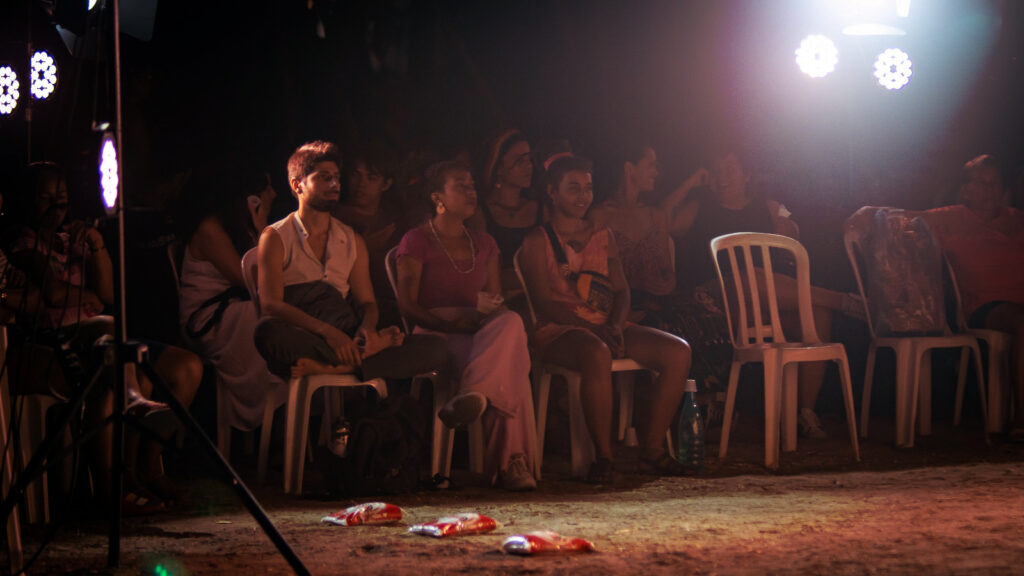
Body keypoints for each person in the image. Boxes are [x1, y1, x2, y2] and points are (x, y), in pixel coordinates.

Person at [10, 162, 202, 511]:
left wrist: (97, 247)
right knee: (114, 337)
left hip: (101, 331)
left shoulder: (74, 239)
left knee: (187, 366)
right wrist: (88, 298)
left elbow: (109, 293)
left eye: (63, 198)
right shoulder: (23, 242)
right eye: (46, 199)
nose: (57, 206)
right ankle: (119, 479)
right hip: (63, 337)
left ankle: (147, 464)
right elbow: (53, 295)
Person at [518, 154, 693, 484]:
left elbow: (622, 291)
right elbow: (542, 303)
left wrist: (613, 324)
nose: (583, 196)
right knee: (596, 352)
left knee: (678, 351)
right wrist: (594, 329)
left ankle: (652, 452)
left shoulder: (603, 235)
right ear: (552, 192)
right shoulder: (536, 241)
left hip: (605, 326)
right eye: (573, 188)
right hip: (558, 330)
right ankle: (604, 458)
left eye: (587, 188)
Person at [672, 149, 862, 438]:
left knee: (815, 310)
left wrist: (790, 229)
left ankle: (805, 413)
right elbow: (663, 225)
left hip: (772, 299)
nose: (723, 176)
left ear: (747, 174)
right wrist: (690, 182)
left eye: (730, 168)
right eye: (717, 169)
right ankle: (841, 300)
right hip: (723, 296)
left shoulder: (769, 207)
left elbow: (792, 239)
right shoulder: (700, 207)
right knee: (747, 276)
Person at [253, 141, 448, 384]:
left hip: (346, 327)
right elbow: (271, 304)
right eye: (324, 178)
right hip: (307, 330)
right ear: (297, 184)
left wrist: (366, 332)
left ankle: (337, 368)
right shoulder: (276, 236)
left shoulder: (351, 239)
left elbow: (367, 302)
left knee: (436, 347)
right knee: (267, 333)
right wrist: (328, 333)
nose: (334, 184)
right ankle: (359, 362)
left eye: (336, 177)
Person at [394, 160, 537, 491]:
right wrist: (453, 323)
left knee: (510, 322)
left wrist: (478, 314)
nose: (471, 192)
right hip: (435, 332)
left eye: (473, 185)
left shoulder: (485, 243)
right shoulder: (416, 240)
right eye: (461, 185)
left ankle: (474, 393)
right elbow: (407, 304)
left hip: (479, 331)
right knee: (508, 362)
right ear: (437, 197)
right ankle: (512, 464)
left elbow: (495, 300)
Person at [919, 155, 1024, 440]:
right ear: (965, 190)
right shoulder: (949, 217)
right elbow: (898, 219)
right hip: (984, 306)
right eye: (981, 184)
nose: (989, 191)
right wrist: (865, 213)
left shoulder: (1015, 220)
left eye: (995, 184)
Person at [178, 162, 287, 432]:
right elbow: (248, 278)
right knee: (265, 319)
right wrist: (262, 228)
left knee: (275, 315)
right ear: (249, 196)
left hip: (236, 308)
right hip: (208, 318)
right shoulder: (211, 229)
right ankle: (268, 415)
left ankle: (283, 410)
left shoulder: (240, 226)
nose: (273, 194)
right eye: (267, 188)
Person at [332, 146, 406, 327]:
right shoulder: (332, 218)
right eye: (355, 175)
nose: (361, 185)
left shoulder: (394, 221)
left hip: (397, 301)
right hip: (351, 307)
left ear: (386, 184)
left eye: (371, 178)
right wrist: (364, 249)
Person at [473, 129, 543, 304]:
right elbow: (481, 271)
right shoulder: (479, 213)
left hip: (543, 297)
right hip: (500, 301)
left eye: (529, 159)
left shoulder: (541, 209)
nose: (529, 166)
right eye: (520, 161)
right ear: (497, 168)